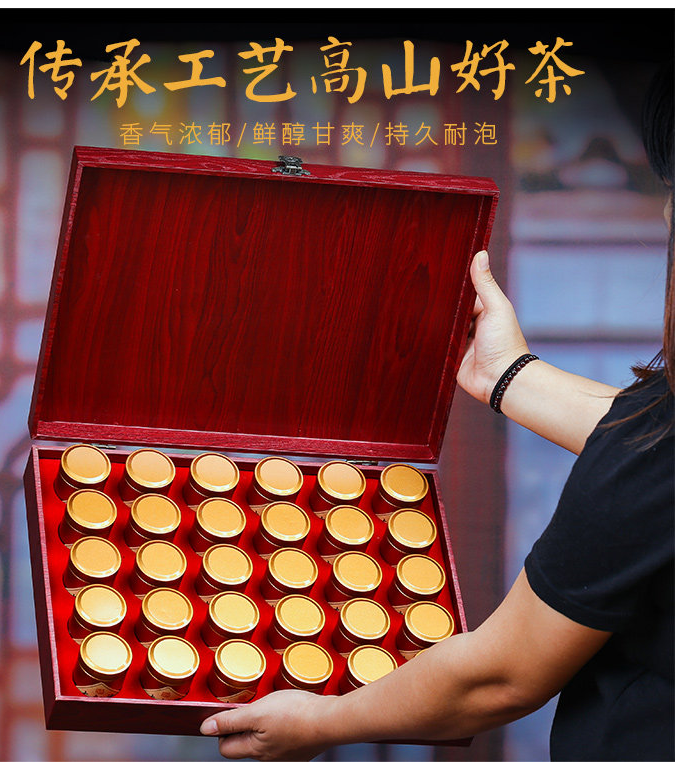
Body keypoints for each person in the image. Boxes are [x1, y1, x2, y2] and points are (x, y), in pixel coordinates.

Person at [199, 64, 674, 761]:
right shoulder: (652, 451)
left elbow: (499, 678)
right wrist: (506, 374)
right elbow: (648, 450)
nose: (663, 213)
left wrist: (323, 722)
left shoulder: (650, 465)